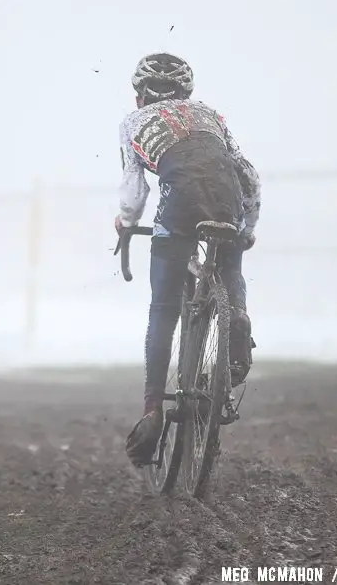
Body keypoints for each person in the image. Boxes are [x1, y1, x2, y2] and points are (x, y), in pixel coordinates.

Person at [115, 52, 261, 467]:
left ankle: (150, 410)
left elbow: (134, 192)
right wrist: (248, 225)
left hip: (178, 206)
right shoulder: (209, 115)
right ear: (188, 92)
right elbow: (246, 172)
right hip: (225, 196)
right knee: (230, 267)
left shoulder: (132, 123)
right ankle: (238, 316)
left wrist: (125, 223)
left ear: (139, 93)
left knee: (162, 309)